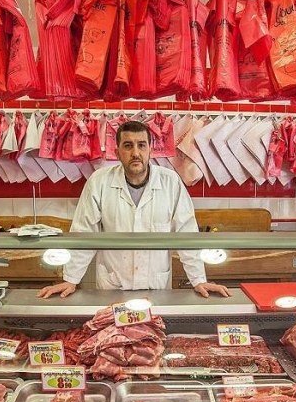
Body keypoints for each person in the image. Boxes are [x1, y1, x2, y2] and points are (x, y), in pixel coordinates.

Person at [37, 121, 231, 299]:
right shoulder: (99, 182)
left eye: (141, 145)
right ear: (117, 151)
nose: (135, 153)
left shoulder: (171, 182)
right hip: (113, 287)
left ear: (150, 150)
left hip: (156, 287)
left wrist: (198, 280)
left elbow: (187, 234)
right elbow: (84, 233)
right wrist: (70, 279)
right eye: (128, 146)